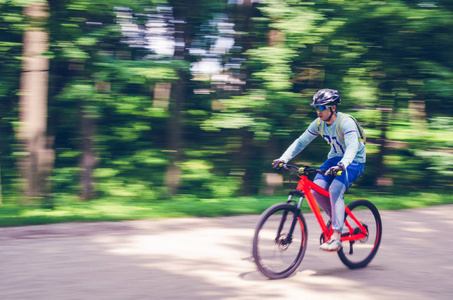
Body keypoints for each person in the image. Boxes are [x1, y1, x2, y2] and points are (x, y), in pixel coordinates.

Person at [272, 89, 366, 252]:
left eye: (322, 108)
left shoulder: (346, 122)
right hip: (334, 159)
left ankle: (336, 237)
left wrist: (343, 165)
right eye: (316, 108)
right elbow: (301, 142)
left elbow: (352, 147)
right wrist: (283, 158)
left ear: (333, 108)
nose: (318, 111)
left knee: (335, 189)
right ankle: (337, 218)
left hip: (354, 161)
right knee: (316, 191)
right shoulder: (318, 123)